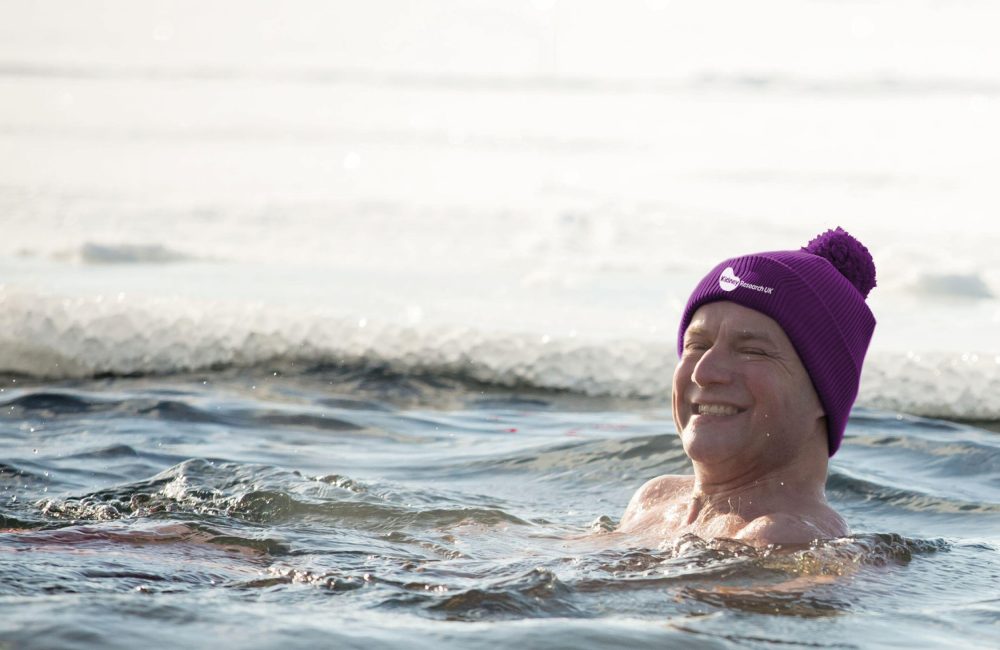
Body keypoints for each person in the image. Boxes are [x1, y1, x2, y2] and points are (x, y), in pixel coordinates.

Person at [618, 227, 877, 547]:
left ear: (824, 393)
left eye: (752, 351)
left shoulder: (784, 537)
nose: (704, 372)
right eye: (697, 345)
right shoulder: (655, 499)